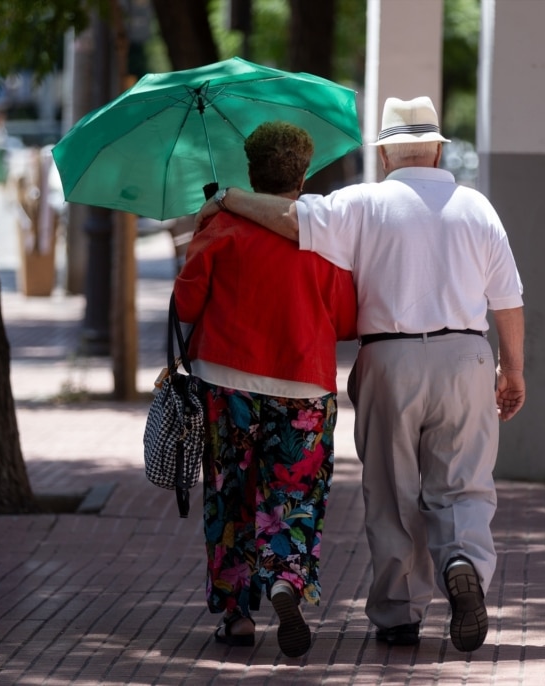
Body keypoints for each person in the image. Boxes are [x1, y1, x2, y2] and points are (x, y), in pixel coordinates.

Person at [195, 96, 526, 653]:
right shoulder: (477, 207)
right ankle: (463, 559)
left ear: (384, 153)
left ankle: (399, 614)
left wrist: (225, 197)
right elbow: (509, 299)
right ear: (439, 149)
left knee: (392, 492)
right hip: (466, 355)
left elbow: (288, 217)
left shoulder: (363, 203)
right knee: (463, 483)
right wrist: (511, 368)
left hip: (389, 358)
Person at [173, 121, 357, 658]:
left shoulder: (220, 228)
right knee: (295, 496)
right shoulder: (325, 238)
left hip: (226, 384)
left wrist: (199, 235)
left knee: (231, 497)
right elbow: (345, 320)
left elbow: (186, 307)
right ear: (302, 174)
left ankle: (236, 616)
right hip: (303, 386)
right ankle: (286, 581)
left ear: (251, 173)